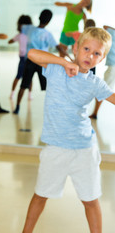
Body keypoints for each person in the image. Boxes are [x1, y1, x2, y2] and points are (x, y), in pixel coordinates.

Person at [22, 27, 114, 233]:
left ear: (102, 59)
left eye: (97, 53)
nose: (90, 55)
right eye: (86, 49)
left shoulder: (95, 84)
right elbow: (31, 54)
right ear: (76, 48)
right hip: (55, 148)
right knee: (40, 195)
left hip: (84, 150)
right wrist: (64, 62)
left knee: (91, 200)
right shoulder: (55, 69)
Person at [13, 9, 68, 114]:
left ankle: (17, 107)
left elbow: (21, 28)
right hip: (42, 63)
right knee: (48, 87)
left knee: (24, 85)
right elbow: (58, 47)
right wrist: (65, 53)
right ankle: (54, 108)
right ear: (48, 22)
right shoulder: (48, 34)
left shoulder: (28, 29)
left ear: (39, 17)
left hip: (29, 61)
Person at [90, 25, 115, 119]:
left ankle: (95, 113)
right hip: (112, 67)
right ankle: (95, 113)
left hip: (113, 67)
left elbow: (105, 26)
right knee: (103, 91)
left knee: (102, 91)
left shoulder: (112, 34)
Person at [8, 15, 33, 100]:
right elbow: (11, 41)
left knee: (30, 78)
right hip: (22, 58)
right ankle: (12, 93)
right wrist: (11, 40)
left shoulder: (31, 35)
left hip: (30, 58)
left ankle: (29, 94)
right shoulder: (19, 35)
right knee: (18, 76)